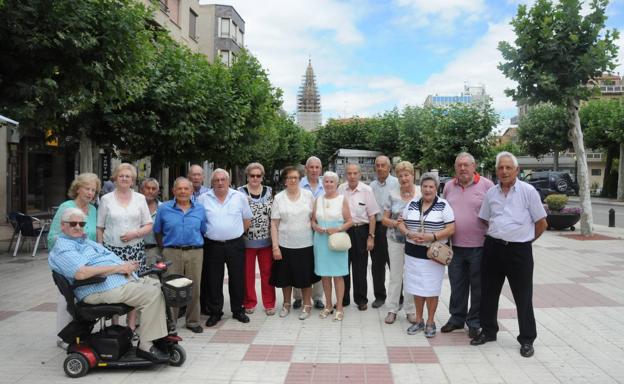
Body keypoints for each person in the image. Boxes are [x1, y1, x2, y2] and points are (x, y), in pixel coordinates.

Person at [49, 208, 169, 362]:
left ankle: (156, 336)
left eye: (81, 223)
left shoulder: (84, 241)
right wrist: (119, 268)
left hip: (116, 281)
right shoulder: (63, 249)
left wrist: (126, 265)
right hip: (97, 289)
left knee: (159, 285)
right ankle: (145, 345)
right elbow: (81, 273)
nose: (78, 227)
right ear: (63, 226)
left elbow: (106, 261)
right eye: (73, 224)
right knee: (152, 294)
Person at [471, 151, 547, 358]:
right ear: (496, 171)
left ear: (517, 170)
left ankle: (527, 339)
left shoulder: (528, 191)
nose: (504, 171)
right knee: (488, 293)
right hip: (493, 248)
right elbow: (485, 219)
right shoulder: (491, 193)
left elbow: (541, 223)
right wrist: (501, 234)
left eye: (508, 168)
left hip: (519, 251)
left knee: (523, 296)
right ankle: (488, 332)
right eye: (500, 168)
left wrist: (525, 240)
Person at [441, 153, 494, 339]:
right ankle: (456, 318)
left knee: (478, 287)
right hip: (454, 246)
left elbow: (496, 212)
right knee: (457, 285)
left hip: (480, 246)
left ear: (474, 166)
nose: (462, 168)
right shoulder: (448, 186)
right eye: (459, 165)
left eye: (466, 165)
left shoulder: (487, 185)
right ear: (455, 168)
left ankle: (474, 322)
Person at [397, 172, 455, 338]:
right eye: (425, 186)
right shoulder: (412, 204)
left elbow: (451, 229)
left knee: (431, 289)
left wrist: (432, 236)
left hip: (433, 255)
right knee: (417, 288)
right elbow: (400, 222)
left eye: (431, 186)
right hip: (413, 254)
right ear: (420, 187)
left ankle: (430, 322)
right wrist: (408, 233)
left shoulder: (444, 205)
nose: (428, 189)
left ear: (436, 188)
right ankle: (419, 320)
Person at [97, 163, 153, 332]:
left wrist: (135, 233)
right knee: (114, 286)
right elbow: (99, 227)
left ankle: (130, 326)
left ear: (133, 180)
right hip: (111, 250)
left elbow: (148, 224)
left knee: (134, 287)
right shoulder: (106, 199)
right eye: (121, 175)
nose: (124, 178)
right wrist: (101, 250)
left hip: (134, 249)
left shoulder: (140, 198)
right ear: (115, 178)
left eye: (128, 176)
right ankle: (115, 325)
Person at [48, 172, 101, 349]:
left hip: (87, 260)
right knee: (66, 298)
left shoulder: (93, 210)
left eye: (93, 190)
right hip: (67, 257)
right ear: (78, 188)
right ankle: (63, 336)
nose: (90, 193)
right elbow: (53, 236)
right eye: (87, 188)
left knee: (82, 298)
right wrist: (74, 237)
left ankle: (79, 333)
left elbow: (96, 236)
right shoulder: (66, 207)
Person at [198, 169, 253, 327]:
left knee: (237, 278)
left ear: (228, 181)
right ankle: (215, 312)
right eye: (217, 180)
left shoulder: (239, 197)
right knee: (213, 279)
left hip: (235, 243)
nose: (220, 182)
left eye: (223, 179)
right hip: (212, 245)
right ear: (212, 182)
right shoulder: (203, 198)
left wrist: (235, 232)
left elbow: (247, 219)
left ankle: (238, 310)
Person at [153, 177, 206, 333]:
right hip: (171, 251)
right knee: (171, 287)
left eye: (186, 189)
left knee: (194, 287)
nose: (183, 191)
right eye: (179, 189)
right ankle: (171, 322)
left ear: (191, 191)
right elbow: (158, 231)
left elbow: (203, 230)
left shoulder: (200, 209)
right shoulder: (164, 209)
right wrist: (166, 248)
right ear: (173, 191)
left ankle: (193, 321)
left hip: (195, 251)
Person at [270, 166, 319, 320]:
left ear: (300, 179)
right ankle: (286, 304)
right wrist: (275, 247)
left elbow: (314, 219)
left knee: (306, 278)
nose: (292, 180)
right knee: (286, 278)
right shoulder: (279, 198)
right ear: (284, 180)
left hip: (306, 244)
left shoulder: (308, 195)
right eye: (289, 177)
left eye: (295, 178)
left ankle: (307, 305)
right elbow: (274, 224)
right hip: (285, 245)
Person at [381, 161, 420, 325]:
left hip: (416, 240)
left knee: (411, 274)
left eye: (407, 175)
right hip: (395, 240)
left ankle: (411, 310)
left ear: (413, 175)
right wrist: (395, 223)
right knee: (396, 275)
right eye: (400, 175)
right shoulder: (392, 193)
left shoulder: (420, 192)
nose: (404, 178)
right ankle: (392, 309)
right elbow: (383, 219)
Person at [311, 171, 352, 321]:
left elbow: (349, 221)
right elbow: (313, 221)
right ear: (323, 183)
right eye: (326, 181)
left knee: (338, 275)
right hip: (321, 240)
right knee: (325, 275)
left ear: (336, 184)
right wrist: (316, 227)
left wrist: (338, 228)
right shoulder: (318, 199)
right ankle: (328, 305)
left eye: (331, 182)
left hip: (336, 241)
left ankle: (339, 307)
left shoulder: (342, 199)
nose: (328, 184)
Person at [338, 163, 380, 310]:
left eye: (355, 173)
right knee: (343, 267)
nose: (352, 176)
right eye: (349, 173)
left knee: (360, 267)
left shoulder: (367, 190)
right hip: (344, 231)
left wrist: (371, 236)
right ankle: (343, 299)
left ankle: (361, 299)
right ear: (345, 175)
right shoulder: (341, 189)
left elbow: (372, 216)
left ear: (360, 174)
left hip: (361, 231)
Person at [238, 163, 276, 316]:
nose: (255, 178)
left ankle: (269, 304)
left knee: (267, 273)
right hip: (246, 242)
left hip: (266, 241)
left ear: (262, 177)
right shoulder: (240, 193)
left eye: (258, 176)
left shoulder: (269, 191)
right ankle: (249, 302)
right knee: (247, 274)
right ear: (247, 176)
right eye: (252, 175)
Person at [369, 155, 399, 308]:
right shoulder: (371, 186)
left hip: (393, 226)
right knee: (377, 264)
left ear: (389, 167)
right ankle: (380, 296)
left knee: (394, 263)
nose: (380, 168)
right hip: (377, 226)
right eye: (377, 165)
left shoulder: (396, 183)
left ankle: (399, 297)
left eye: (383, 165)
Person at [296, 156, 325, 310]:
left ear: (321, 169)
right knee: (299, 262)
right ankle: (298, 297)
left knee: (318, 262)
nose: (314, 170)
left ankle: (318, 297)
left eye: (317, 167)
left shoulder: (326, 185)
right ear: (306, 169)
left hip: (320, 231)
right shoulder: (298, 186)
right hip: (301, 230)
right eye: (311, 167)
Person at [140, 178, 163, 267]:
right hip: (137, 250)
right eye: (148, 188)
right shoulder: (134, 207)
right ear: (142, 190)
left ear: (158, 191)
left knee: (155, 279)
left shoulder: (164, 208)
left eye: (154, 189)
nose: (150, 191)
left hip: (157, 251)